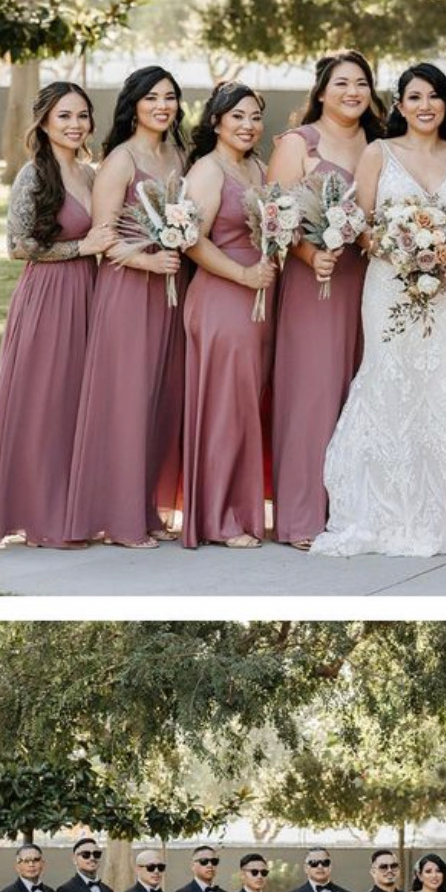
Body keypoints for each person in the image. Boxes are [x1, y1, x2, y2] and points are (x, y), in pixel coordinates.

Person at [310, 62, 446, 558]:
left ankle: (440, 513)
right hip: (389, 285)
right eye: (414, 97)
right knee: (389, 381)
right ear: (400, 105)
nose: (424, 106)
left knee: (441, 385)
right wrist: (403, 247)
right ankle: (382, 510)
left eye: (433, 96)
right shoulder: (378, 153)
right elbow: (362, 227)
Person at [0, 83, 113, 547]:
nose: (75, 124)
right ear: (44, 121)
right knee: (45, 400)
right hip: (47, 297)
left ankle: (72, 509)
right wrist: (80, 247)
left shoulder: (90, 172)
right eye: (64, 116)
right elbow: (17, 245)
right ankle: (40, 516)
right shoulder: (34, 175)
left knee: (76, 403)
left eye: (82, 115)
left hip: (88, 294)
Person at [65, 65, 188, 548]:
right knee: (127, 402)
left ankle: (144, 507)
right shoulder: (120, 160)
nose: (162, 105)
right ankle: (118, 520)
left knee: (160, 400)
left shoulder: (179, 155)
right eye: (152, 97)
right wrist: (148, 263)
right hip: (129, 291)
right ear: (133, 104)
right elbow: (102, 238)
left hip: (173, 292)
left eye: (170, 97)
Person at [269, 50, 385, 550]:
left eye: (361, 83)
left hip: (370, 280)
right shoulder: (299, 144)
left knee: (358, 391)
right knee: (312, 394)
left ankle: (351, 510)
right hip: (314, 281)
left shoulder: (380, 142)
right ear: (321, 91)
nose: (352, 92)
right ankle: (300, 517)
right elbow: (273, 217)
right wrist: (309, 251)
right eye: (342, 83)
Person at [181, 82, 277, 549]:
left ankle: (242, 509)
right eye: (237, 116)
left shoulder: (258, 167)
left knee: (246, 406)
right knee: (225, 409)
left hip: (259, 298)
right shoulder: (208, 170)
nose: (247, 125)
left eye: (255, 116)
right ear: (216, 121)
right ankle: (218, 519)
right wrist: (243, 276)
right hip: (224, 297)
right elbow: (192, 241)